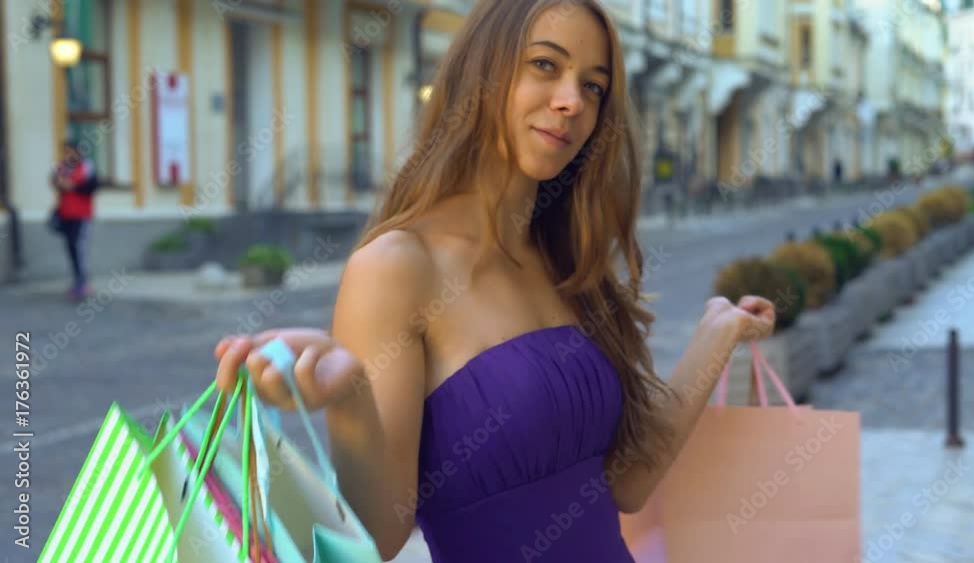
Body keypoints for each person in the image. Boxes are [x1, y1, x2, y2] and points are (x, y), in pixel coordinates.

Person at [214, 1, 776, 561]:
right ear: (482, 73)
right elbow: (379, 539)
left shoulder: (568, 261)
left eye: (594, 87)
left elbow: (629, 484)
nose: (571, 101)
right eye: (545, 66)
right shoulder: (396, 267)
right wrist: (349, 396)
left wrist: (715, 334)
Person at [50, 139, 99, 300]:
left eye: (71, 151)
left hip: (81, 215)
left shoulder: (87, 166)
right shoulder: (62, 167)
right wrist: (60, 183)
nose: (68, 155)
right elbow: (53, 180)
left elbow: (92, 187)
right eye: (66, 151)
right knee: (71, 247)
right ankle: (77, 279)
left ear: (78, 152)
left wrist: (73, 187)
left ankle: (84, 282)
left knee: (80, 248)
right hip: (66, 214)